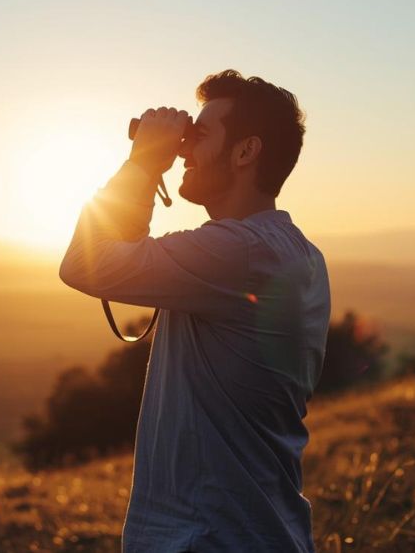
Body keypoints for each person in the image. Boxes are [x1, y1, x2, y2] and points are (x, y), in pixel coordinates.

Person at [59, 69, 331, 552]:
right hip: (257, 531)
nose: (182, 150)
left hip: (207, 536)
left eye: (198, 136)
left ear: (246, 152)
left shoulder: (240, 252)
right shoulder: (293, 250)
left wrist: (143, 160)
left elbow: (86, 263)